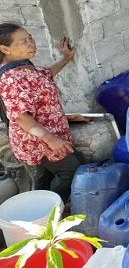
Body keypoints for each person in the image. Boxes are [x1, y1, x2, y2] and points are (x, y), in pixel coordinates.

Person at [0, 23, 81, 203]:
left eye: (30, 38)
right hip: (38, 141)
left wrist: (65, 59)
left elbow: (44, 77)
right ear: (5, 48)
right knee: (71, 171)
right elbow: (21, 117)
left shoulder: (25, 66)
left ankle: (38, 210)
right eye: (23, 42)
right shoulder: (11, 78)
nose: (31, 44)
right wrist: (51, 139)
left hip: (46, 135)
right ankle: (51, 208)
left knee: (44, 177)